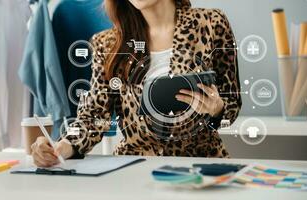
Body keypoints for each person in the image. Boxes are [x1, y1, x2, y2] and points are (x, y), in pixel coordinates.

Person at [31, 0, 241, 167]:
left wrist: (218, 110)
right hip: (136, 167)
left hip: (201, 163)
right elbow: (93, 117)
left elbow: (231, 102)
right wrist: (61, 147)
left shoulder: (211, 23)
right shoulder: (107, 44)